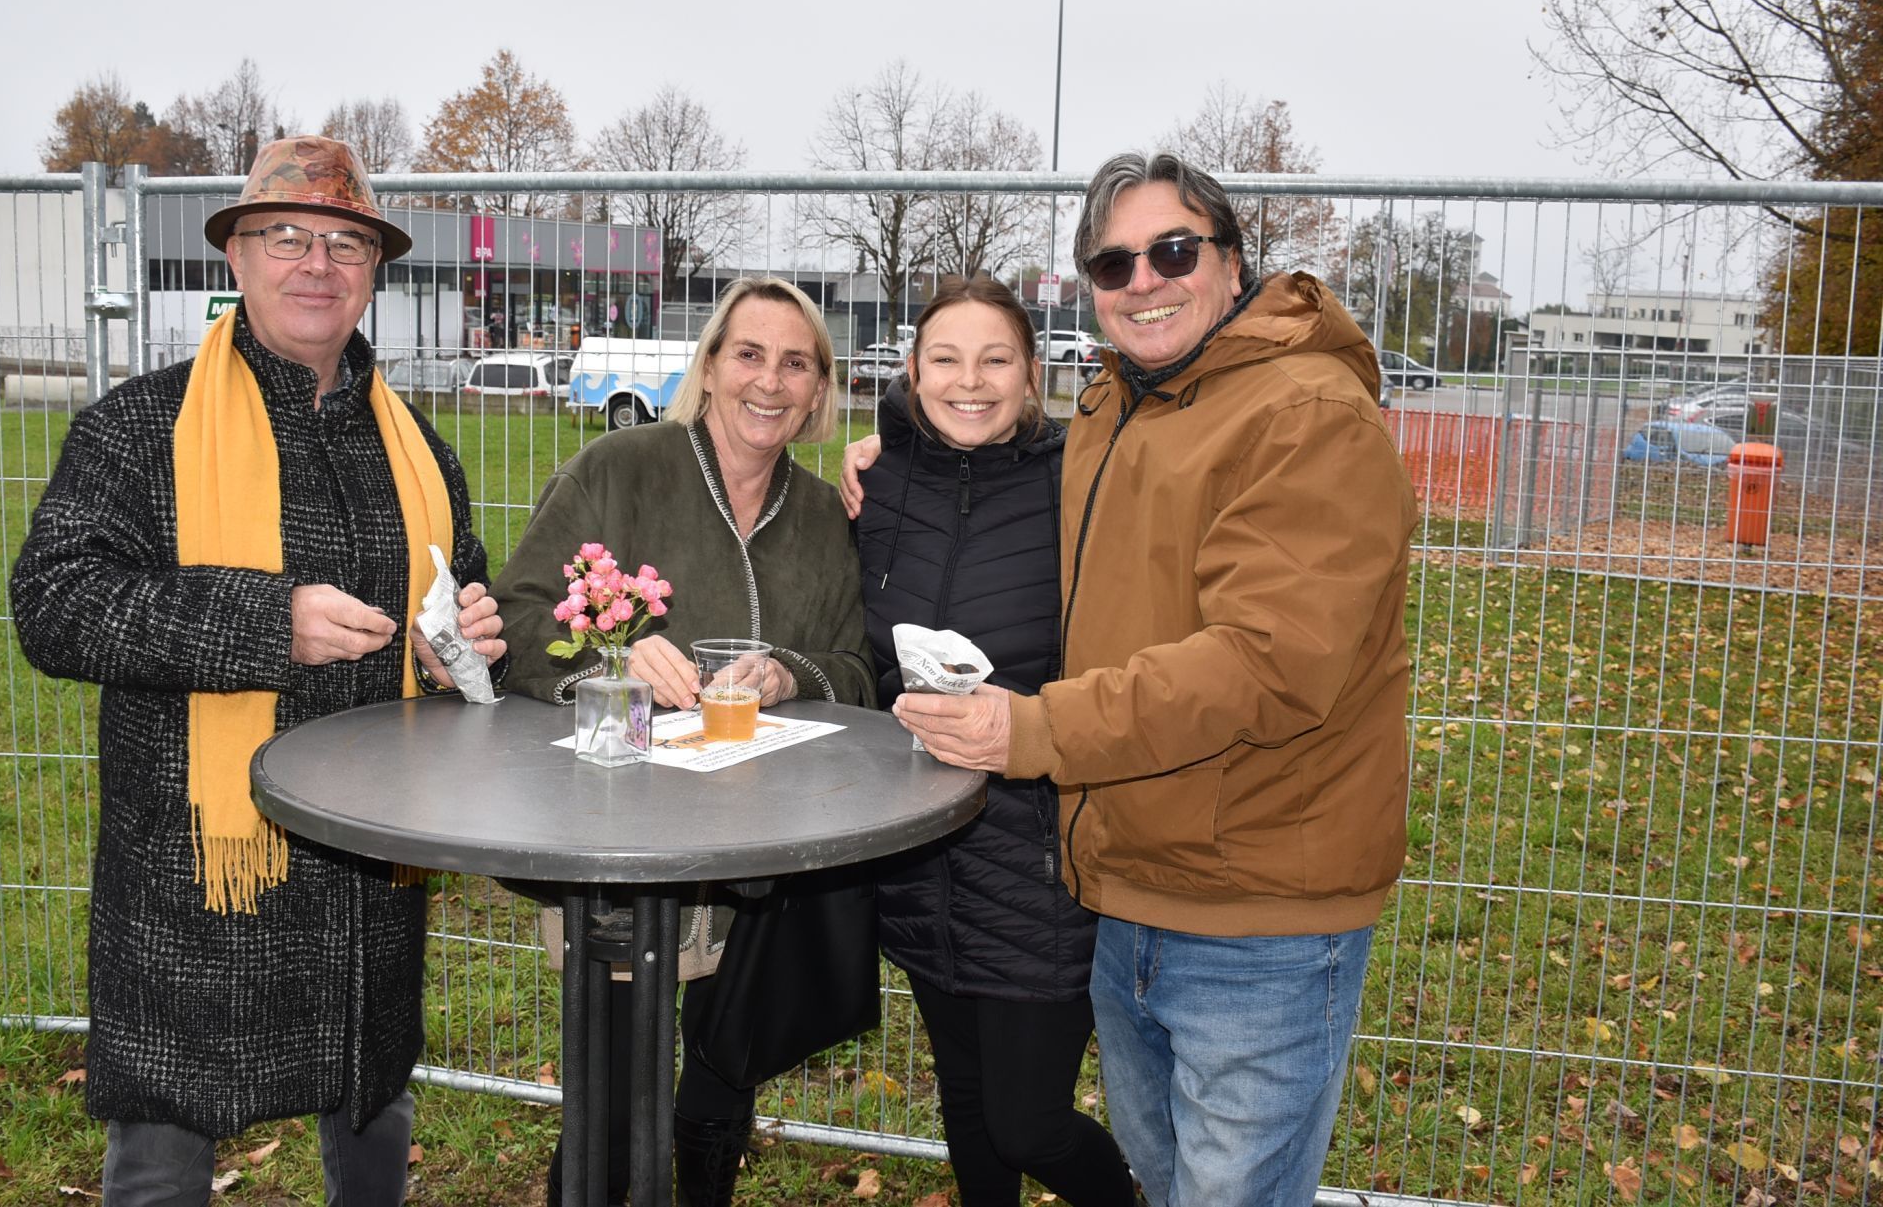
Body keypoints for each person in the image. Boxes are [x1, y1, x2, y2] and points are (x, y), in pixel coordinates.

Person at [886, 153, 1416, 1207]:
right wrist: (885, 456)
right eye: (1112, 261)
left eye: (1171, 250)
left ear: (1228, 263)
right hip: (1128, 889)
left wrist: (1032, 732)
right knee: (1166, 1182)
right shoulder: (1115, 410)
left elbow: (1268, 661)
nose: (1144, 280)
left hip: (1258, 909)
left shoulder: (1303, 413)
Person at [11, 135, 507, 1207]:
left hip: (368, 866)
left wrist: (461, 630)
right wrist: (264, 621)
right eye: (285, 236)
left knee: (372, 1109)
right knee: (165, 1146)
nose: (315, 263)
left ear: (374, 272)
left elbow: (452, 585)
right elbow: (53, 606)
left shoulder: (416, 444)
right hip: (199, 860)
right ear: (234, 258)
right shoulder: (139, 427)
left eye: (343, 242)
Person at [491, 275, 873, 1206]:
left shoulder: (823, 514)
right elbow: (517, 613)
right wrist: (614, 659)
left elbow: (860, 672)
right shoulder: (621, 468)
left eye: (796, 363)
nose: (769, 382)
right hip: (626, 845)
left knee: (721, 1077)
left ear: (819, 390)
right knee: (615, 1096)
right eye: (748, 354)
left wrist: (790, 672)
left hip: (764, 856)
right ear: (709, 367)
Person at [854, 275, 1134, 1207]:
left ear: (1029, 373)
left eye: (995, 359)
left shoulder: (1080, 485)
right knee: (969, 1108)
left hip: (1036, 857)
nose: (968, 381)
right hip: (922, 848)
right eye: (945, 359)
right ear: (913, 371)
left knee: (1028, 1120)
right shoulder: (880, 486)